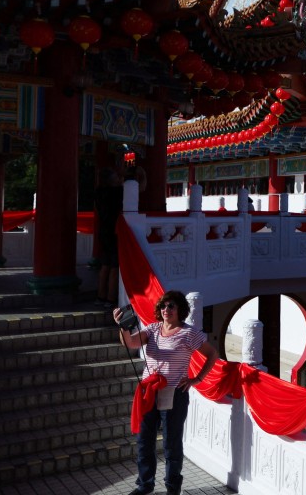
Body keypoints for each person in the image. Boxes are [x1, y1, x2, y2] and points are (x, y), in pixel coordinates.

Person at [114, 291, 219, 495]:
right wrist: (122, 326)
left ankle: (172, 488)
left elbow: (212, 354)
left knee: (171, 444)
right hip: (148, 392)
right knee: (145, 441)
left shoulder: (189, 333)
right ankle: (145, 485)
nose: (166, 310)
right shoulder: (152, 329)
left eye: (171, 306)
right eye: (163, 306)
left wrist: (196, 379)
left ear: (180, 310)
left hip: (174, 393)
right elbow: (130, 343)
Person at [94, 168, 123, 307]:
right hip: (114, 232)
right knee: (114, 266)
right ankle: (110, 299)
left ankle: (100, 296)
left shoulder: (99, 192)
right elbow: (140, 187)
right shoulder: (117, 192)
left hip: (103, 232)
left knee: (105, 265)